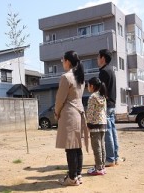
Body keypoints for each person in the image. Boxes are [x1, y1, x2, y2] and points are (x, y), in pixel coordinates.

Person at [54, 50, 89, 186]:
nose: (62, 62)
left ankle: (72, 177)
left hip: (69, 114)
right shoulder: (80, 78)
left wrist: (56, 112)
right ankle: (77, 175)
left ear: (68, 61)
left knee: (70, 147)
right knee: (77, 146)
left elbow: (59, 99)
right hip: (79, 112)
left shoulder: (66, 77)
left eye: (63, 60)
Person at [97, 49, 119, 167]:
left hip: (106, 105)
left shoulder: (103, 72)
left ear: (103, 58)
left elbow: (102, 91)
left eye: (98, 57)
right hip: (112, 104)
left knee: (108, 133)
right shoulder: (111, 70)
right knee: (113, 131)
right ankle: (116, 156)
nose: (97, 59)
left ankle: (110, 159)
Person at [86, 77, 107, 175]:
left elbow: (90, 112)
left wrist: (88, 124)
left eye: (88, 85)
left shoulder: (92, 97)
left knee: (96, 147)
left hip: (94, 124)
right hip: (103, 123)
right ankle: (102, 166)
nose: (87, 87)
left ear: (92, 86)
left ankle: (98, 168)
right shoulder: (103, 96)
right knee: (102, 146)